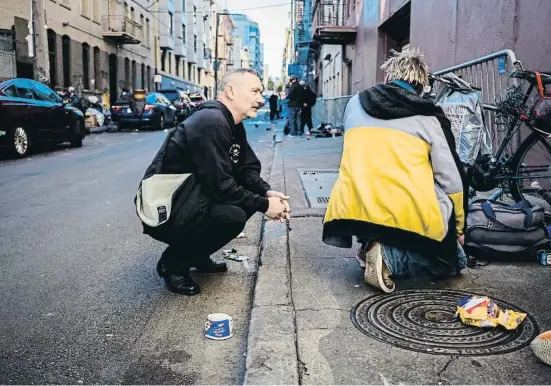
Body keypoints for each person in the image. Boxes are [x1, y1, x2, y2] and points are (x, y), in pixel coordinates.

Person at [322, 48, 469, 293]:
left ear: (387, 78)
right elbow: (451, 181)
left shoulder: (354, 103)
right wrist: (459, 229)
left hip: (351, 206)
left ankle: (369, 244)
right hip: (400, 210)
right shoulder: (430, 117)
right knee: (454, 262)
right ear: (422, 85)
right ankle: (390, 257)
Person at [145, 68, 291, 296]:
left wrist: (267, 192)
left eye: (261, 93)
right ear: (230, 91)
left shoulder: (232, 124)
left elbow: (246, 168)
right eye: (254, 91)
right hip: (167, 207)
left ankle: (196, 253)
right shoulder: (210, 122)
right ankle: (173, 263)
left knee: (245, 204)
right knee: (232, 216)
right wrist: (264, 206)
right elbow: (220, 184)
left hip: (193, 198)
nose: (261, 99)